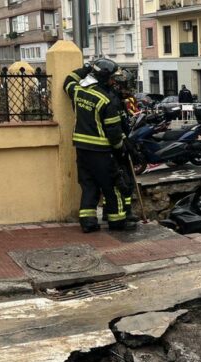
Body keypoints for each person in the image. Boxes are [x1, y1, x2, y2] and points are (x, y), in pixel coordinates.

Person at [63, 59, 136, 233]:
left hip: (82, 149)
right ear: (104, 78)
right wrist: (121, 150)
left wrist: (85, 68)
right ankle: (117, 221)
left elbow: (68, 81)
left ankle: (88, 222)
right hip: (102, 151)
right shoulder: (106, 100)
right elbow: (113, 132)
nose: (113, 82)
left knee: (89, 185)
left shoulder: (79, 91)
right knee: (113, 186)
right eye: (111, 78)